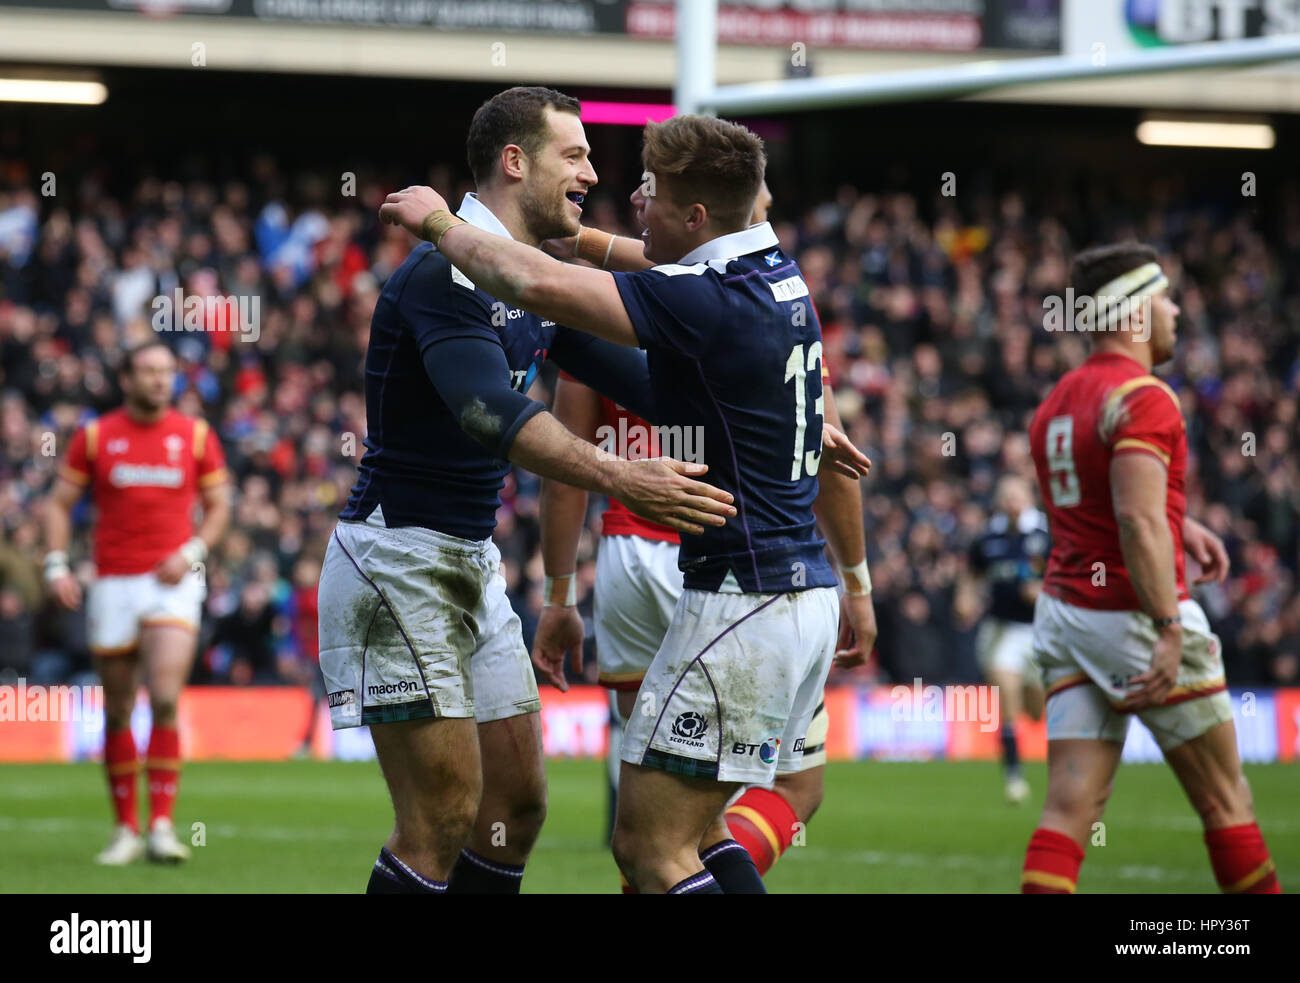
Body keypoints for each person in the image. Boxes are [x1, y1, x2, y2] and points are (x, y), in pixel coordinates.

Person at [379, 112, 872, 893]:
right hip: (789, 589)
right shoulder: (774, 273)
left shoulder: (699, 298)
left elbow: (534, 283)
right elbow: (622, 267)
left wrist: (437, 221)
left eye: (653, 195)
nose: (630, 202)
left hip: (741, 599)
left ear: (696, 217)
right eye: (577, 159)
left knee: (650, 846)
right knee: (701, 831)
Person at [317, 87, 738, 896]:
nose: (590, 171)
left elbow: (650, 383)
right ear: (516, 162)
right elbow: (489, 410)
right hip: (396, 559)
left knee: (517, 808)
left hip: (468, 562)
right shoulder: (445, 272)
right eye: (573, 155)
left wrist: (781, 418)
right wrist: (622, 475)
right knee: (440, 819)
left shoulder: (534, 278)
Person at [531, 181, 878, 887]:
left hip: (635, 556)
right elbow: (835, 466)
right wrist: (858, 582)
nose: (630, 195)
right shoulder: (777, 304)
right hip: (743, 569)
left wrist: (560, 591)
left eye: (647, 187)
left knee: (668, 820)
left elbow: (565, 465)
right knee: (771, 795)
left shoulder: (623, 304)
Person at [1020, 242, 1281, 894]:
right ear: (1135, 313)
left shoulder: (1058, 399)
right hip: (1132, 616)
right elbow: (1134, 522)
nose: (1174, 312)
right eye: (1164, 298)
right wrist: (1169, 624)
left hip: (1064, 616)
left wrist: (1177, 521)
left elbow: (1095, 497)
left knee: (1068, 812)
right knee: (1227, 799)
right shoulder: (1145, 396)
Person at [44, 339, 231, 865]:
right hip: (112, 583)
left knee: (166, 697)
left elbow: (219, 505)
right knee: (120, 707)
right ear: (126, 378)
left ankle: (163, 826)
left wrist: (192, 550)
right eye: (148, 371)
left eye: (166, 371)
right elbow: (59, 503)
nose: (158, 380)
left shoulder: (195, 435)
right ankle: (126, 828)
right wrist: (56, 563)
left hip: (171, 580)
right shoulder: (96, 435)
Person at [954, 474, 1049, 803]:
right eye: (1005, 495)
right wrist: (965, 599)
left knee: (1036, 710)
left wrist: (1045, 593)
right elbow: (972, 573)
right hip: (1001, 629)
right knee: (1006, 697)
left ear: (1028, 497)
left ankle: (1029, 698)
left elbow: (1069, 574)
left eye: (1016, 495)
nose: (1010, 501)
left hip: (1040, 631)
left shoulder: (1045, 533)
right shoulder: (987, 536)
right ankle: (1014, 778)